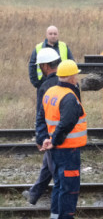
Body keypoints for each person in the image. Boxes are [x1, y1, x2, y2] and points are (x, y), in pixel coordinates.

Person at [36, 60, 87, 219]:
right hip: (67, 150)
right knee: (69, 188)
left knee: (58, 185)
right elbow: (66, 123)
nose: (77, 78)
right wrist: (54, 141)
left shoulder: (51, 92)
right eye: (76, 75)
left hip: (55, 151)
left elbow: (40, 118)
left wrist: (45, 138)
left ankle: (55, 216)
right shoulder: (69, 97)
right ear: (72, 78)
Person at [24, 48, 61, 205]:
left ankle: (57, 204)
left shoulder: (45, 86)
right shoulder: (67, 81)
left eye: (40, 66)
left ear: (45, 66)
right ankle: (34, 194)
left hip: (52, 135)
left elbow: (41, 116)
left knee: (55, 169)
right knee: (48, 164)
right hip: (66, 133)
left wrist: (41, 138)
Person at [28, 25, 74, 89]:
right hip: (43, 84)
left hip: (62, 82)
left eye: (55, 34)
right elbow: (32, 66)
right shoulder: (38, 48)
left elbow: (71, 63)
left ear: (58, 35)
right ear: (46, 35)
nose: (53, 36)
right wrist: (36, 83)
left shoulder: (64, 46)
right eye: (50, 34)